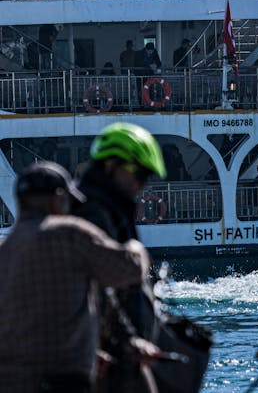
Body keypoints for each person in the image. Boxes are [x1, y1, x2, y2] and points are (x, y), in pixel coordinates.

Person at [0, 160, 149, 393]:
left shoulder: (5, 249)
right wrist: (135, 246)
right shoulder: (69, 233)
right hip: (64, 380)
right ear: (56, 198)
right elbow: (128, 270)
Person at [73, 123, 167, 393]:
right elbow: (93, 284)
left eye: (146, 177)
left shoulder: (109, 207)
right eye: (138, 173)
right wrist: (123, 339)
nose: (141, 183)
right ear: (112, 164)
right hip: (109, 356)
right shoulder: (93, 213)